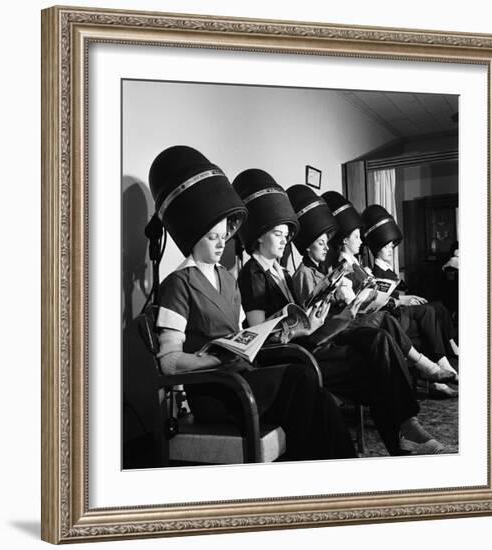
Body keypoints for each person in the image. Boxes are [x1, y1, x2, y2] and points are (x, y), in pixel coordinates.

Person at [148, 145, 357, 461]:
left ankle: (341, 474)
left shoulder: (229, 279)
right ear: (192, 235)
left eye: (223, 236)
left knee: (320, 398)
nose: (221, 244)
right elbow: (169, 361)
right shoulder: (178, 284)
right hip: (216, 390)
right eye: (211, 238)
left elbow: (244, 333)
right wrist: (216, 361)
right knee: (300, 382)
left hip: (245, 374)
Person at [234, 172, 449, 455]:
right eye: (278, 234)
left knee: (378, 344)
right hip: (295, 354)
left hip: (310, 341)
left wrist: (316, 308)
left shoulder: (281, 272)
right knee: (376, 362)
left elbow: (298, 313)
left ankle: (406, 433)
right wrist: (300, 326)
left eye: (287, 236)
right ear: (259, 237)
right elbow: (259, 334)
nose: (285, 241)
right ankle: (405, 436)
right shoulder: (252, 274)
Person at [322, 191, 457, 393]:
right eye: (357, 237)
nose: (361, 241)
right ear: (344, 241)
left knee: (428, 310)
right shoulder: (343, 267)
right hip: (370, 317)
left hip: (379, 311)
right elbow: (354, 304)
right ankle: (432, 369)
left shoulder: (357, 265)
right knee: (420, 313)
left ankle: (438, 367)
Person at [361, 204, 459, 397]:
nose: (391, 250)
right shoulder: (374, 271)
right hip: (389, 312)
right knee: (429, 310)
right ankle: (441, 364)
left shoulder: (385, 269)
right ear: (378, 248)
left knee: (435, 306)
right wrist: (404, 299)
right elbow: (382, 296)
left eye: (391, 247)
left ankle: (444, 360)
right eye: (387, 247)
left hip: (395, 306)